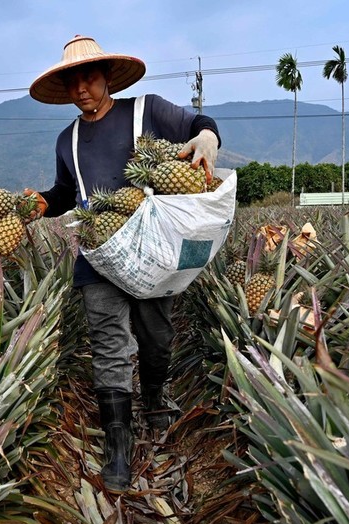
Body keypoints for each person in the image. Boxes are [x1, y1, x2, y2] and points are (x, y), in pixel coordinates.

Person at [25, 35, 221, 492]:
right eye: (72, 82)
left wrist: (207, 138)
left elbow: (199, 123)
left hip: (153, 250)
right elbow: (66, 193)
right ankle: (118, 442)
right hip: (98, 255)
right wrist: (43, 203)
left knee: (156, 337)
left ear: (108, 77)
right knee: (109, 343)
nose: (81, 89)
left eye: (89, 78)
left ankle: (153, 395)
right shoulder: (67, 139)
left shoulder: (147, 111)